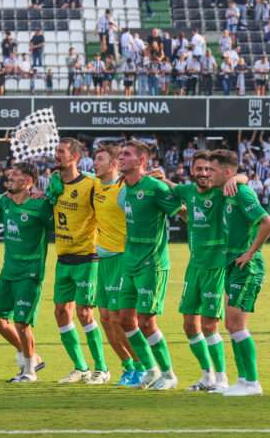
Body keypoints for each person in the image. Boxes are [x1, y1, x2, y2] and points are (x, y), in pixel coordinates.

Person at [209, 150, 270, 396]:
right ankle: (243, 380)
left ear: (226, 172)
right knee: (230, 323)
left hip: (246, 267)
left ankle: (253, 383)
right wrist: (239, 178)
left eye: (213, 169)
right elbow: (241, 177)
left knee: (236, 323)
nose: (208, 173)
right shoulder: (228, 190)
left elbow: (268, 223)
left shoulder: (242, 192)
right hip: (231, 264)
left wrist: (249, 253)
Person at [117, 140, 182, 389]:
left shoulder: (154, 187)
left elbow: (181, 208)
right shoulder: (127, 187)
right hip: (130, 261)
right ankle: (150, 369)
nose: (121, 158)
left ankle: (168, 374)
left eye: (127, 154)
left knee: (146, 321)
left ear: (141, 161)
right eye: (121, 154)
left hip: (151, 264)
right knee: (125, 319)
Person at [167, 151, 230, 392]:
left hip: (215, 266)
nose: (203, 173)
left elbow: (240, 178)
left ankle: (222, 378)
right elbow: (172, 188)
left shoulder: (222, 192)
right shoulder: (188, 191)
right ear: (192, 170)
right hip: (194, 267)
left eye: (207, 169)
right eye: (199, 169)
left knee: (210, 325)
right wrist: (159, 178)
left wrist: (238, 179)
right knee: (189, 325)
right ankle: (207, 376)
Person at [47, 138, 108, 384]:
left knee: (84, 312)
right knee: (61, 311)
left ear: (75, 157)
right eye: (56, 151)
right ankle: (80, 367)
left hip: (87, 257)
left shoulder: (91, 185)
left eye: (61, 152)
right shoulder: (54, 183)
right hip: (63, 257)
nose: (56, 155)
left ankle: (101, 369)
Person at [0, 163, 50, 382]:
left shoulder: (40, 205)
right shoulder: (4, 201)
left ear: (27, 181)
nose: (10, 177)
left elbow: (61, 225)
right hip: (8, 271)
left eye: (15, 175)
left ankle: (29, 371)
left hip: (30, 273)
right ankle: (32, 357)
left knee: (22, 323)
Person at [90, 145, 143, 387]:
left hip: (123, 257)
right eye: (94, 158)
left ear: (113, 164)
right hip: (104, 260)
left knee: (120, 317)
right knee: (105, 318)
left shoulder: (124, 188)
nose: (94, 163)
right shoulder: (93, 185)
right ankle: (128, 366)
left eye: (99, 159)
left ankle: (143, 366)